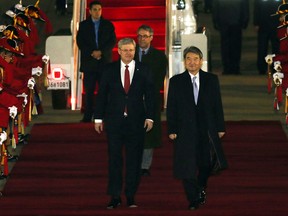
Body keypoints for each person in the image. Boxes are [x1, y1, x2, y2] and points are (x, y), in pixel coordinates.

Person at [93, 38, 155, 209]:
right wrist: (98, 118)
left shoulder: (144, 70)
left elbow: (151, 95)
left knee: (134, 160)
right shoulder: (109, 70)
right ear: (118, 51)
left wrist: (150, 117)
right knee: (114, 159)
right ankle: (114, 196)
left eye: (131, 50)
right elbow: (102, 95)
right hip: (114, 122)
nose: (129, 53)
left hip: (136, 122)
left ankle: (130, 195)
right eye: (125, 50)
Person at [166, 46, 228, 210]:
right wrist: (171, 129)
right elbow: (171, 107)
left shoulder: (211, 79)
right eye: (188, 59)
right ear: (184, 62)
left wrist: (220, 127)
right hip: (184, 129)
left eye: (195, 59)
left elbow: (217, 105)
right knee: (187, 165)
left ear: (201, 61)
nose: (192, 62)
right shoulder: (176, 81)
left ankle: (201, 186)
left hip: (206, 128)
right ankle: (193, 198)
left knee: (206, 164)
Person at [134, 25, 168, 176]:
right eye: (140, 36)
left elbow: (158, 81)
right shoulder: (129, 53)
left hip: (150, 99)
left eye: (145, 36)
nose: (142, 39)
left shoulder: (160, 57)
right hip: (132, 99)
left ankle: (144, 166)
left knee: (149, 134)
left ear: (152, 37)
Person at [77, 0, 116, 122]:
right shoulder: (83, 25)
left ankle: (104, 114)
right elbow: (80, 42)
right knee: (89, 91)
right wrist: (92, 52)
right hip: (90, 63)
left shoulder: (108, 25)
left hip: (104, 62)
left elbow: (112, 41)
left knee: (105, 90)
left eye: (99, 9)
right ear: (90, 11)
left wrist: (101, 52)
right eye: (95, 9)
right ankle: (88, 115)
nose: (97, 12)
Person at [212, 0, 249, 75]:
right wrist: (245, 20)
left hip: (224, 21)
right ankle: (235, 67)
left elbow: (216, 6)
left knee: (225, 46)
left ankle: (227, 68)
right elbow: (245, 6)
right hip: (236, 21)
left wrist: (215, 20)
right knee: (236, 46)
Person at [254, 0, 280, 75]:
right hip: (274, 23)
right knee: (275, 47)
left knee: (264, 47)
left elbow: (257, 8)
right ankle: (274, 67)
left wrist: (256, 23)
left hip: (264, 23)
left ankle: (262, 68)